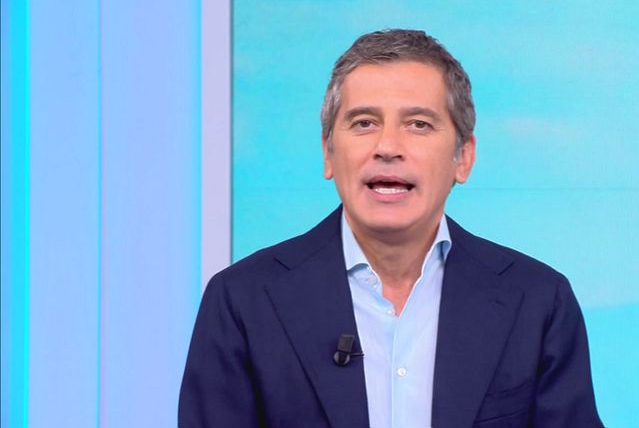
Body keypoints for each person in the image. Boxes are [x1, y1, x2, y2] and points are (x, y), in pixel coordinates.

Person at [179, 29, 603, 428]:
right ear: (328, 152)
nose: (387, 147)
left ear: (463, 157)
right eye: (364, 122)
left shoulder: (537, 301)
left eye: (419, 124)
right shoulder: (243, 300)